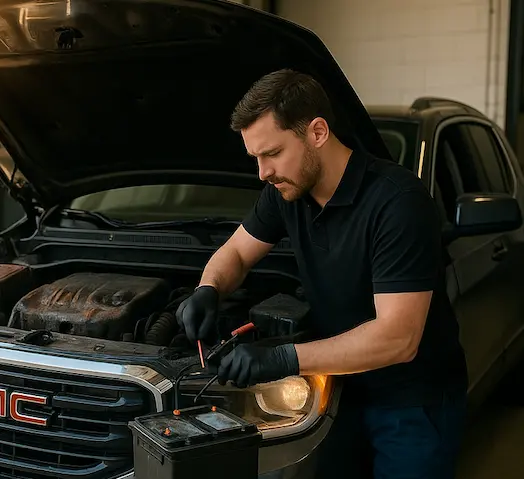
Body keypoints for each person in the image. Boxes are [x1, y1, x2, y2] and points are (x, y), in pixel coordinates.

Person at [175, 69, 468, 478]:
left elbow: (398, 339)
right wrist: (208, 288)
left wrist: (281, 358)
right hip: (337, 391)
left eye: (272, 153)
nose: (262, 172)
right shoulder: (286, 192)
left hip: (411, 403)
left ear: (317, 132)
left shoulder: (398, 203)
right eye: (255, 157)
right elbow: (238, 252)